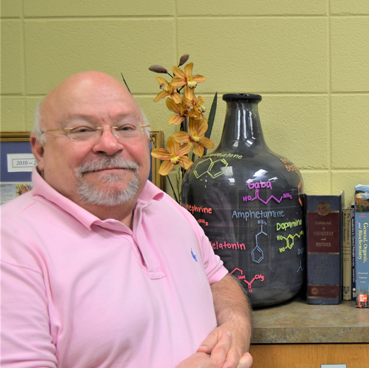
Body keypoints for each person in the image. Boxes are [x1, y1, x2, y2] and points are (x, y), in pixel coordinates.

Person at [0, 71, 253, 368]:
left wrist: (235, 325)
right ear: (39, 150)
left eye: (125, 127)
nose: (109, 144)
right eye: (82, 130)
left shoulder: (163, 207)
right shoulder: (13, 245)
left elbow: (217, 279)